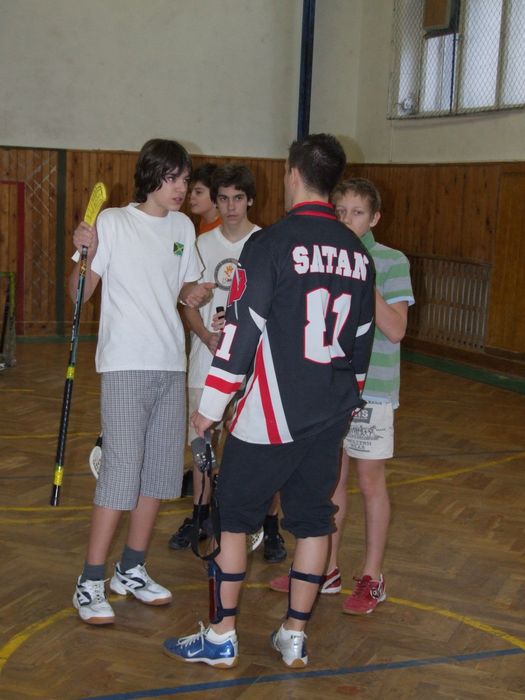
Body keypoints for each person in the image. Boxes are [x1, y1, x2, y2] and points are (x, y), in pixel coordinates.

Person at [163, 134, 375, 669]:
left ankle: (221, 635)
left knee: (233, 521)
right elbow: (361, 343)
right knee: (314, 522)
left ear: (293, 174)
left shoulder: (270, 244)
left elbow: (239, 335)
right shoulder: (357, 253)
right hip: (329, 415)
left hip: (268, 417)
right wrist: (345, 405)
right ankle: (294, 635)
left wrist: (209, 409)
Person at [70, 138, 214, 626]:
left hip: (171, 363)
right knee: (121, 473)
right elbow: (78, 295)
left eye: (185, 180)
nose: (181, 189)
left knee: (158, 475)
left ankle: (130, 569)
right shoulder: (113, 222)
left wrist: (195, 293)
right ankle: (90, 579)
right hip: (125, 364)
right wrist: (83, 254)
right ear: (151, 176)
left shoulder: (182, 227)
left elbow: (182, 288)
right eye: (173, 178)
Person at [270, 177, 414, 615]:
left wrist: (363, 277)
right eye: (342, 211)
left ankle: (372, 576)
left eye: (358, 212)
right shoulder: (326, 256)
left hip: (374, 390)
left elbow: (396, 329)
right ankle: (326, 569)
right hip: (330, 386)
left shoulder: (390, 261)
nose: (348, 220)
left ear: (375, 218)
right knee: (329, 479)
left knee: (369, 482)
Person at [168, 164, 287, 564]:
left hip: (255, 368)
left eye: (238, 198)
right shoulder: (202, 244)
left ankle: (269, 524)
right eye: (223, 199)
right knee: (202, 446)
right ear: (215, 202)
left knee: (260, 450)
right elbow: (187, 303)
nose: (231, 206)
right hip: (207, 361)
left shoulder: (268, 243)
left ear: (250, 200)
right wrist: (207, 334)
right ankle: (200, 517)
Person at [188, 163, 222, 234]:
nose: (191, 196)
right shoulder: (204, 220)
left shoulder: (224, 230)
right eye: (190, 191)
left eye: (198, 192)